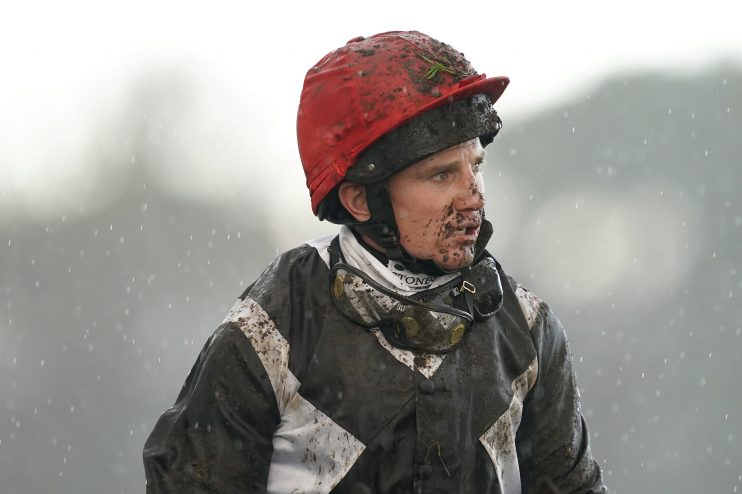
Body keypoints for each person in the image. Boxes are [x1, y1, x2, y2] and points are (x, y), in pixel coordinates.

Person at [143, 31, 607, 494]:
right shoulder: (277, 323)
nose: (474, 198)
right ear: (360, 201)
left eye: (476, 166)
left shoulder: (528, 328)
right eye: (441, 175)